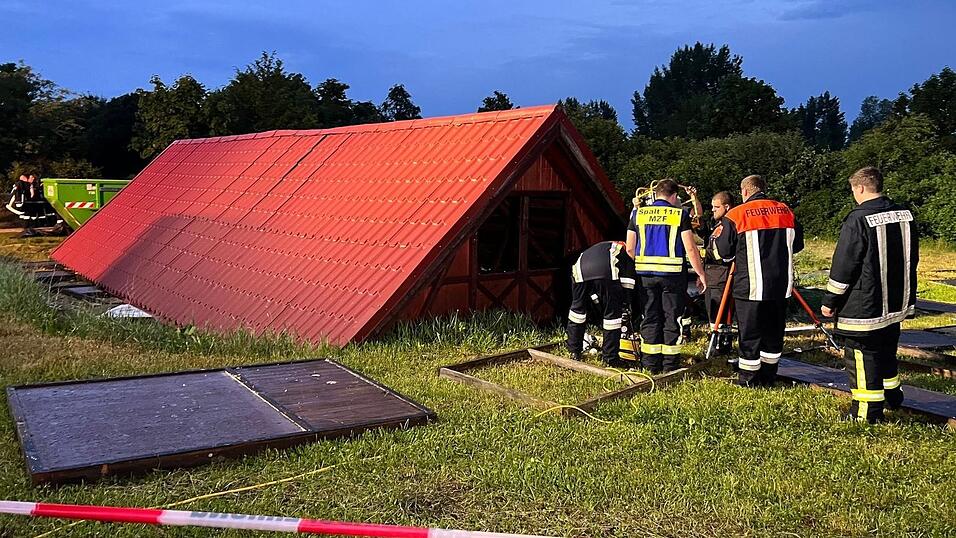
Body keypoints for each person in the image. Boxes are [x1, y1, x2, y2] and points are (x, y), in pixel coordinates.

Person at [820, 167, 918, 423]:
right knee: (887, 350)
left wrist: (830, 301)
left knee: (862, 356)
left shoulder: (858, 219)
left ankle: (866, 412)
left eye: (853, 190)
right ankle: (893, 396)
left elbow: (844, 265)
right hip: (895, 303)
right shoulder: (904, 214)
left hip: (865, 306)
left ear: (860, 188)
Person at [715, 175, 803, 387]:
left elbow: (724, 253)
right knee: (773, 333)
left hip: (750, 286)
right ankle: (769, 376)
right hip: (781, 285)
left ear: (744, 192)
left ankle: (748, 379)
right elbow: (797, 245)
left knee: (750, 333)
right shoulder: (785, 211)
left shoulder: (736, 215)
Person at [626, 179, 706, 374]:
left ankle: (650, 365)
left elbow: (629, 248)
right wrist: (701, 274)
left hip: (645, 276)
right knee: (672, 317)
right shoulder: (679, 214)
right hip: (672, 276)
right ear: (674, 196)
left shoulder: (638, 214)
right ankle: (670, 365)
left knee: (650, 316)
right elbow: (690, 247)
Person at [566, 240, 636, 365]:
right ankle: (610, 358)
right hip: (605, 271)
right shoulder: (624, 251)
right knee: (612, 318)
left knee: (577, 312)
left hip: (579, 270)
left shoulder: (600, 247)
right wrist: (625, 304)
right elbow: (628, 284)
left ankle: (574, 351)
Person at [700, 191, 735, 353]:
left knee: (718, 311)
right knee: (714, 311)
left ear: (727, 207)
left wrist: (700, 254)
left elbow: (721, 253)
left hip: (719, 274)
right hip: (712, 273)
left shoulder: (726, 226)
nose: (713, 210)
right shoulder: (717, 225)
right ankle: (719, 342)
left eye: (716, 207)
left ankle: (720, 344)